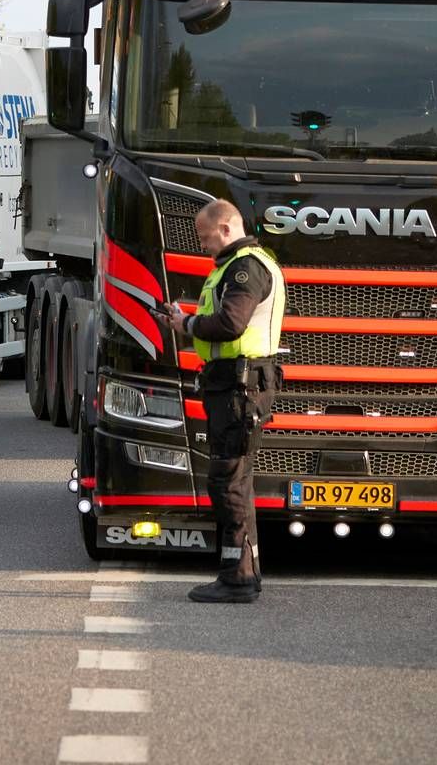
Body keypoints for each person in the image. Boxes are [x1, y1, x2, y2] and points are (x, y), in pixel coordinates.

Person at [153, 199, 285, 604]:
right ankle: (245, 572)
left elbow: (230, 324)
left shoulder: (246, 268)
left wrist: (187, 324)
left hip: (239, 390)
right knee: (237, 483)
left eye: (204, 236)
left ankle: (236, 579)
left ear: (226, 229)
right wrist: (186, 321)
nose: (202, 244)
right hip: (235, 387)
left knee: (227, 483)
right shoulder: (237, 265)